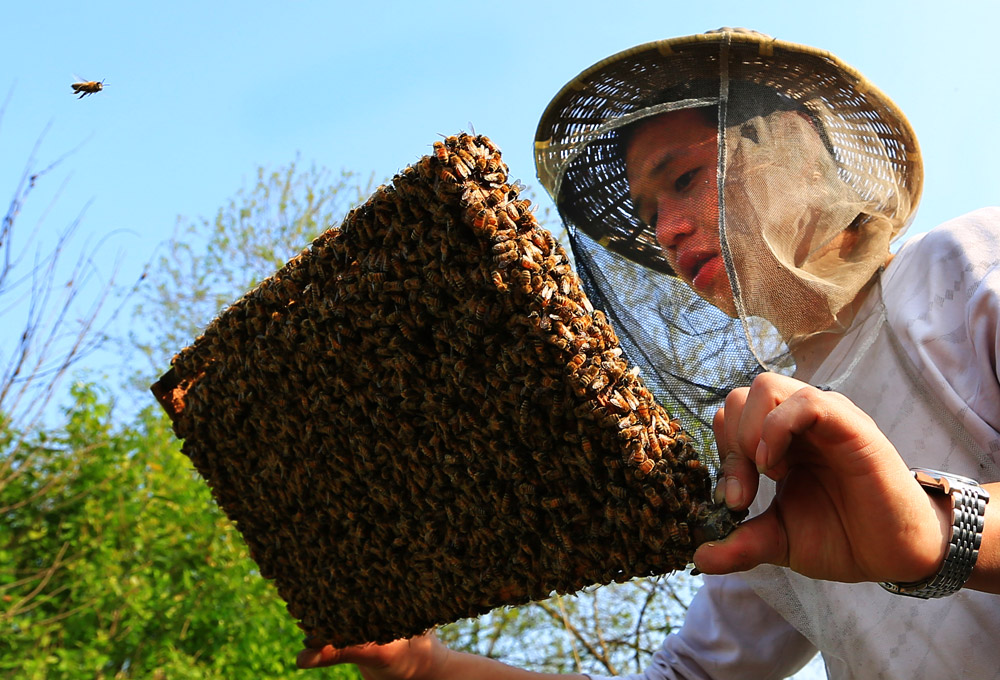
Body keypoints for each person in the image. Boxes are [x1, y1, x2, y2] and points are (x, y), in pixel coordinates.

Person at [298, 28, 1000, 678]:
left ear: (786, 145)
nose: (665, 229)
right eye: (646, 213)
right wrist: (424, 666)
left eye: (685, 178)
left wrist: (940, 528)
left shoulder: (963, 264)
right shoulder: (760, 448)